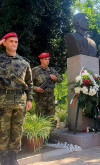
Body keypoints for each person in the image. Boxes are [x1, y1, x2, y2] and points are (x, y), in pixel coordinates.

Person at [0, 32, 33, 165]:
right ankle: (3, 157)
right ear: (5, 43)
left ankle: (13, 157)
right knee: (2, 130)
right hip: (3, 99)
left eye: (15, 41)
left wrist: (29, 99)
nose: (14, 44)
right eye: (11, 41)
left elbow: (30, 83)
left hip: (20, 100)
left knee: (17, 130)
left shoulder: (24, 62)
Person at [32, 53, 62, 117]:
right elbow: (28, 84)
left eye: (48, 59)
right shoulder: (35, 70)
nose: (47, 61)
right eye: (45, 59)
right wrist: (36, 88)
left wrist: (55, 78)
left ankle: (52, 127)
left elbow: (60, 79)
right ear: (41, 60)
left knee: (51, 118)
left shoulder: (52, 70)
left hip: (50, 99)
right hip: (40, 99)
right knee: (40, 119)